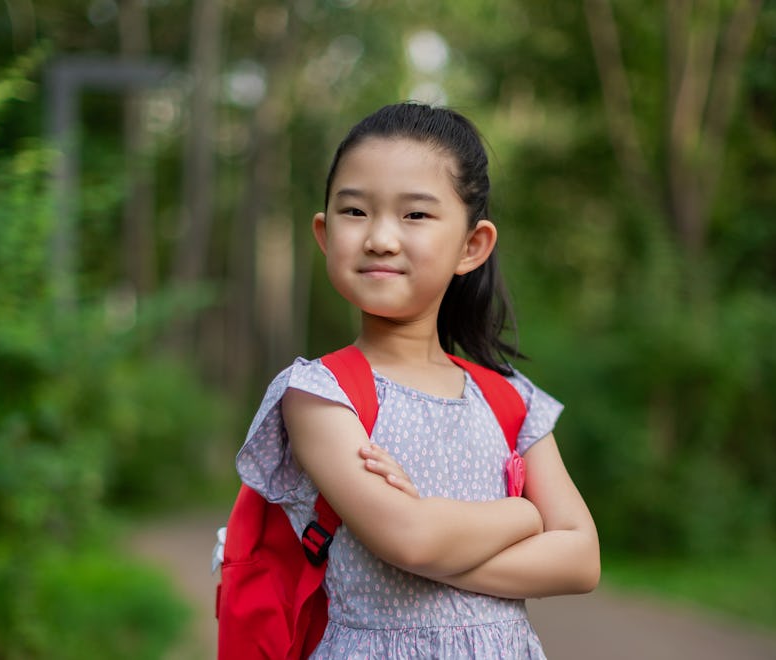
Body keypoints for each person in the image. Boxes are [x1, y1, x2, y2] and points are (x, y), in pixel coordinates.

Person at [236, 102, 599, 658]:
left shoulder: (509, 400)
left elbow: (580, 560)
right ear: (324, 231)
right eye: (354, 211)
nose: (380, 237)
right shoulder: (319, 395)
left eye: (415, 215)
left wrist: (434, 538)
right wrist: (524, 514)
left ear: (471, 246)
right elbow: (409, 538)